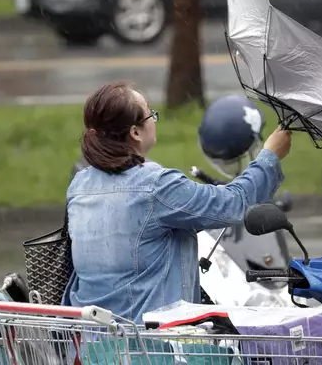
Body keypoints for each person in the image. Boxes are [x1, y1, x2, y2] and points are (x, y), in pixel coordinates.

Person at [61, 81, 292, 323]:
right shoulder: (156, 187)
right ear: (135, 132)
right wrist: (270, 156)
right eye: (150, 114)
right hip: (150, 348)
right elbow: (233, 204)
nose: (154, 120)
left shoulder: (79, 185)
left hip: (93, 345)